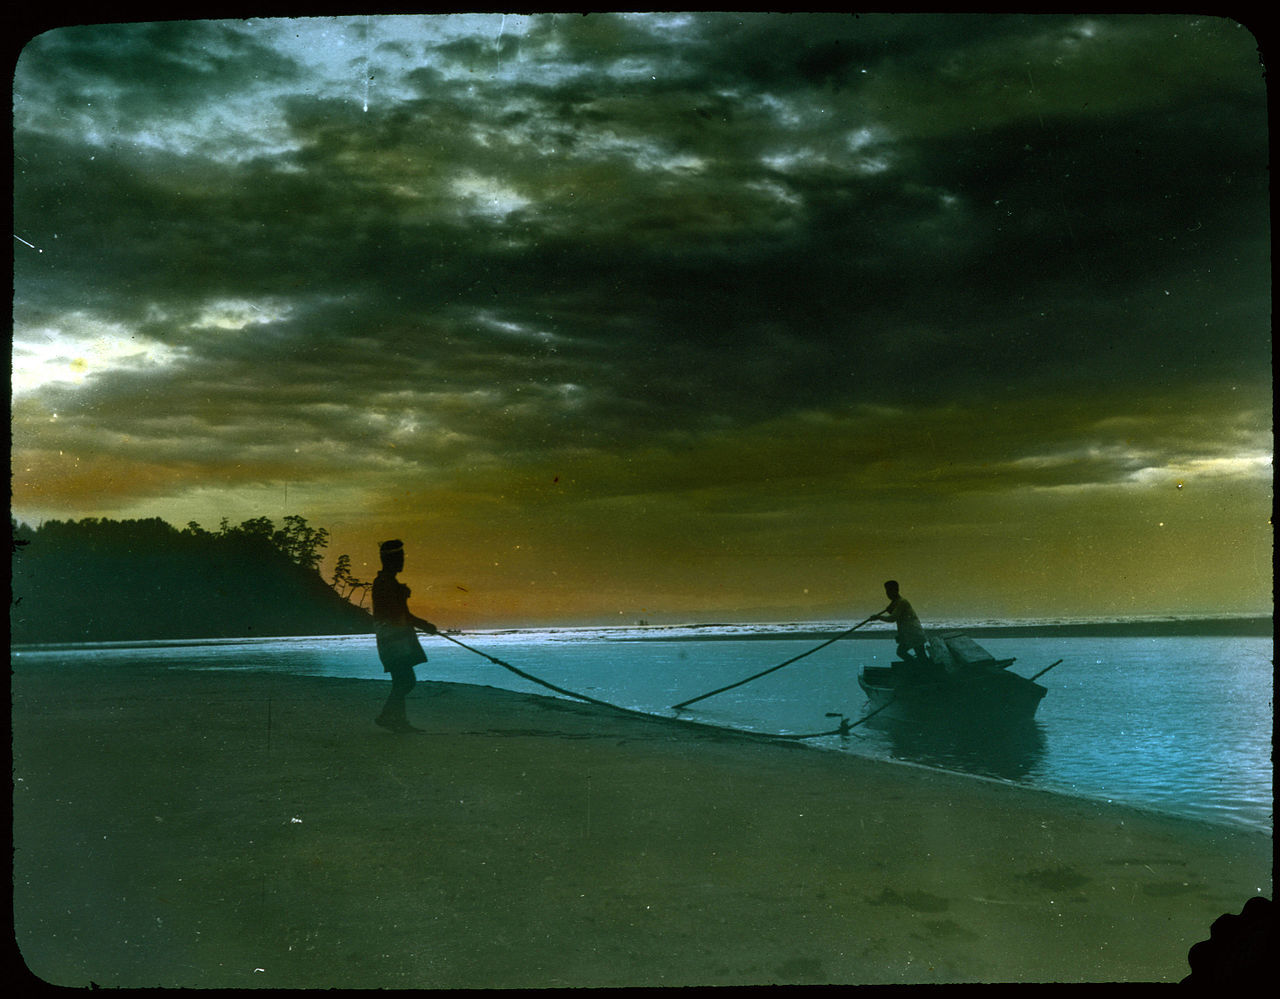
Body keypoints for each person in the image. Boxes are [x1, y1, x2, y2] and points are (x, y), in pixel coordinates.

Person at [371, 539, 437, 733]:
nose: (402, 562)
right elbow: (396, 613)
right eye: (399, 558)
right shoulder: (385, 583)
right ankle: (387, 716)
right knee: (406, 680)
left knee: (402, 680)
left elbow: (399, 613)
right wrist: (424, 625)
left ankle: (397, 720)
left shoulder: (387, 582)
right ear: (389, 560)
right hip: (394, 639)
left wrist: (422, 625)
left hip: (395, 638)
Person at [870, 580, 929, 666]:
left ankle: (918, 668)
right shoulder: (897, 603)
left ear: (896, 590)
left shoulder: (902, 602)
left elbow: (892, 618)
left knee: (906, 653)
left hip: (914, 634)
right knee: (916, 656)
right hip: (909, 634)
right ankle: (918, 668)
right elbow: (896, 615)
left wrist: (878, 617)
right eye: (887, 591)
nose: (888, 594)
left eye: (890, 591)